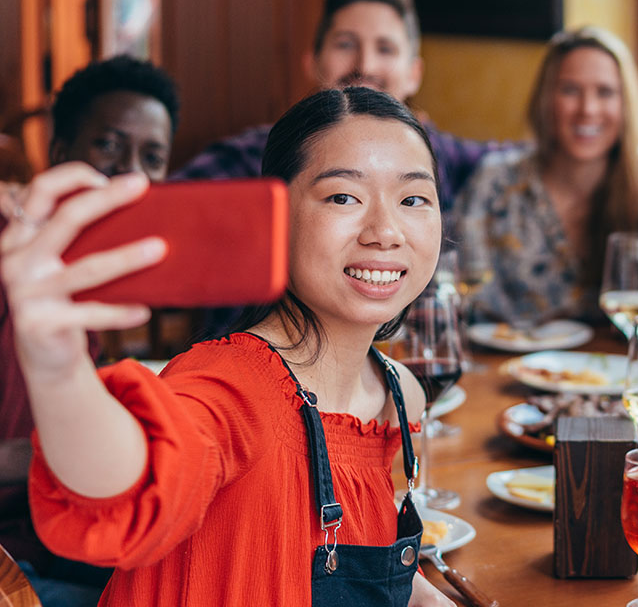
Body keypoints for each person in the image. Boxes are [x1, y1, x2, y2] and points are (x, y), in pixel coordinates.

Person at [2, 86, 453, 606]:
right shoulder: (231, 386)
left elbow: (354, 551)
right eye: (342, 197)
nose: (385, 231)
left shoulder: (396, 395)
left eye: (413, 199)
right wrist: (57, 369)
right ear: (275, 220)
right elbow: (130, 483)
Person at [0, 55, 179, 607]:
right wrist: (49, 450)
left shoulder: (94, 273)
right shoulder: (13, 252)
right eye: (108, 145)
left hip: (66, 536)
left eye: (152, 157)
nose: (131, 175)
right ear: (58, 155)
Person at [172, 0, 500, 214]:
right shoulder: (253, 159)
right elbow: (165, 210)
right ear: (313, 62)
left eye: (385, 49)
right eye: (346, 44)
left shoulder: (448, 159)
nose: (365, 64)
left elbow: (531, 161)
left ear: (414, 74)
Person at [454, 26, 638, 325]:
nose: (588, 109)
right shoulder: (496, 181)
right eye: (570, 90)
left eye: (605, 92)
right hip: (508, 366)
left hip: (614, 366)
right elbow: (453, 286)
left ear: (626, 106)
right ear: (547, 100)